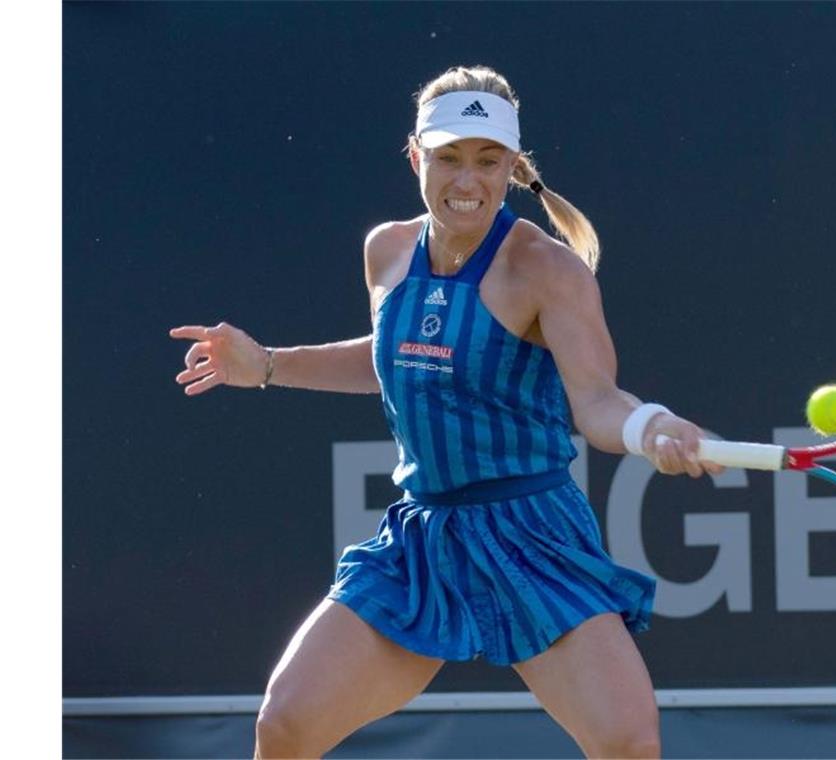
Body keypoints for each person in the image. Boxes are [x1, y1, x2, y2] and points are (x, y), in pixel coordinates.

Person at [170, 64, 723, 759]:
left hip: (534, 534)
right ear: (415, 157)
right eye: (449, 159)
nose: (468, 182)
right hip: (422, 538)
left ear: (514, 167)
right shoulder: (388, 251)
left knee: (628, 743)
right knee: (285, 725)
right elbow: (398, 354)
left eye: (489, 162)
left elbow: (598, 400)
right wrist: (269, 366)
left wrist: (651, 427)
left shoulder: (549, 271)